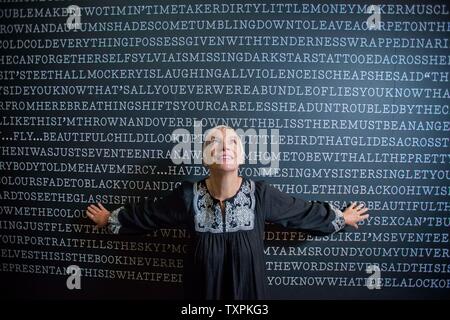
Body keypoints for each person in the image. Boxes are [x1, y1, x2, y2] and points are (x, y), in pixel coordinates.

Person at [86, 125, 369, 300]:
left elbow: (301, 212)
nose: (225, 147)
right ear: (204, 155)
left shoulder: (260, 194)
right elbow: (148, 215)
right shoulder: (187, 195)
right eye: (214, 142)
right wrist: (109, 219)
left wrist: (342, 217)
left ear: (243, 155)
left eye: (233, 141)